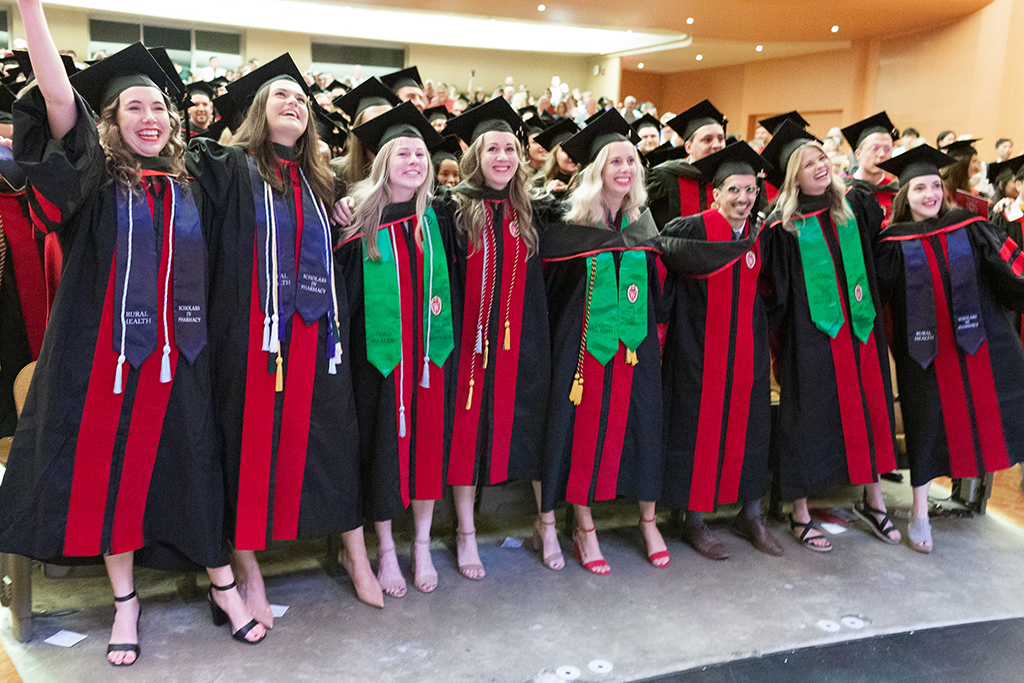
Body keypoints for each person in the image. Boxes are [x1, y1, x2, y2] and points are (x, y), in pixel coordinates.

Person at [0, 22, 264, 666]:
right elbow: (61, 102)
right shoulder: (94, 177)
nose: (149, 118)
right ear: (111, 122)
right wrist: (30, 11)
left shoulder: (196, 180)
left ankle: (223, 586)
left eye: (158, 107)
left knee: (195, 468)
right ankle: (126, 603)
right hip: (106, 361)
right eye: (132, 107)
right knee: (109, 472)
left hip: (184, 360)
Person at [188, 55, 382, 623]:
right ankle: (247, 571)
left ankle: (355, 556)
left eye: (301, 98)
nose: (294, 103)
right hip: (250, 339)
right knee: (247, 445)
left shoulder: (323, 183)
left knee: (332, 440)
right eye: (280, 96)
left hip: (318, 341)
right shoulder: (226, 167)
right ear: (257, 110)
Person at [874, 146, 1024, 552]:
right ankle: (919, 511)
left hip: (975, 343)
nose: (930, 195)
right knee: (926, 423)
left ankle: (964, 494)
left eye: (936, 186)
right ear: (904, 196)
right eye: (920, 187)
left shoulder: (967, 226)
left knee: (1010, 397)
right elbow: (874, 298)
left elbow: (1006, 271)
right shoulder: (889, 242)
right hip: (923, 353)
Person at [761, 120, 900, 553]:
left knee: (871, 408)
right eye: (808, 163)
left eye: (822, 157)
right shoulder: (781, 227)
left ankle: (874, 502)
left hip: (860, 332)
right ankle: (799, 513)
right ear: (792, 177)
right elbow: (773, 293)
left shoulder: (852, 211)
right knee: (805, 420)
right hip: (810, 339)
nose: (820, 166)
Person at [540, 110, 667, 573]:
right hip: (582, 350)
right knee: (582, 428)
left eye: (631, 161)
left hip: (635, 351)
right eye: (615, 161)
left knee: (643, 422)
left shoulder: (642, 227)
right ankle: (584, 524)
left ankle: (648, 520)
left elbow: (658, 293)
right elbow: (554, 295)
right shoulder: (569, 225)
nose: (625, 170)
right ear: (596, 171)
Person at [338, 102, 451, 596]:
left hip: (429, 358)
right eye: (402, 153)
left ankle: (421, 545)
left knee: (426, 446)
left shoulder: (437, 219)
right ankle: (386, 550)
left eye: (421, 154)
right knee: (382, 448)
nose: (414, 161)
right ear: (382, 160)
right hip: (379, 361)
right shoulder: (358, 219)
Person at [440, 96, 555, 576]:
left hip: (524, 342)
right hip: (468, 345)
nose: (504, 157)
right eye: (493, 149)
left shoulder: (534, 211)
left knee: (532, 424)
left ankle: (545, 524)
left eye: (511, 148)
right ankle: (465, 532)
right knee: (465, 432)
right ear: (476, 156)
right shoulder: (453, 210)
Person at [659, 142, 783, 560]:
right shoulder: (691, 229)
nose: (743, 198)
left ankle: (750, 515)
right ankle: (693, 521)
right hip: (698, 350)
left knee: (751, 431)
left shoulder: (759, 234)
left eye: (750, 190)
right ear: (715, 192)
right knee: (697, 430)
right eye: (734, 189)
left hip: (747, 351)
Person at [647, 99, 727, 230]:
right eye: (707, 139)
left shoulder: (729, 178)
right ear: (688, 147)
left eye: (721, 138)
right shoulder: (664, 177)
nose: (717, 145)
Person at [842, 112, 899, 227]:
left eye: (887, 149)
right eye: (875, 148)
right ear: (858, 154)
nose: (882, 154)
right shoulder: (842, 189)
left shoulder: (897, 191)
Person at [531, 118, 579, 198]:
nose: (572, 155)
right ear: (554, 156)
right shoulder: (539, 184)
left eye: (574, 148)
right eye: (565, 150)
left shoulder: (588, 181)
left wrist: (568, 190)